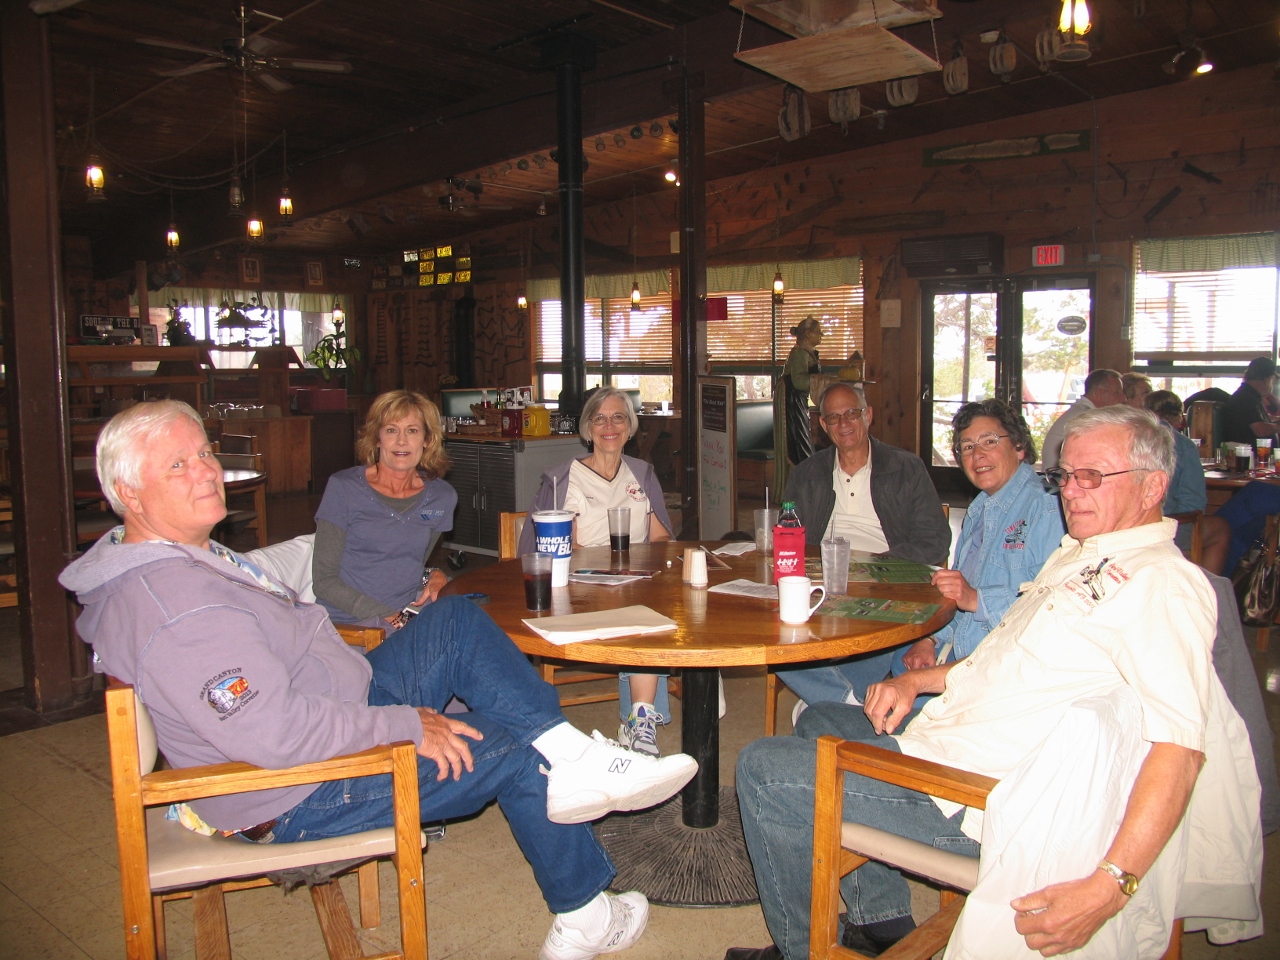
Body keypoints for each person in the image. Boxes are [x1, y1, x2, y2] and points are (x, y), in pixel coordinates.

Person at [61, 400, 699, 960]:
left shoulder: (182, 559)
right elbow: (275, 735)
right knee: (508, 743)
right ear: (129, 491)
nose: (205, 470)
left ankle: (575, 754)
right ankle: (585, 913)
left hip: (341, 700)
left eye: (203, 453)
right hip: (298, 790)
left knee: (457, 620)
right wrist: (403, 723)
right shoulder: (178, 606)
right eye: (178, 465)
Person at [728, 406, 1258, 960]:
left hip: (978, 796)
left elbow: (1180, 749)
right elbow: (1011, 661)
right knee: (817, 719)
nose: (1070, 493)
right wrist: (919, 682)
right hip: (955, 734)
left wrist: (1109, 886)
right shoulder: (1085, 555)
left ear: (1153, 486)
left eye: (1092, 477)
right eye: (1066, 476)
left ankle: (799, 954)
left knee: (764, 768)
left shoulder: (1162, 586)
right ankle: (882, 918)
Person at [773, 381, 951, 710]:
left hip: (886, 577)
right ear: (823, 425)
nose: (844, 424)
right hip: (826, 580)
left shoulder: (906, 467)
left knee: (889, 632)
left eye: (851, 413)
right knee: (777, 634)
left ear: (867, 415)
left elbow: (934, 539)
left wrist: (872, 567)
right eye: (834, 417)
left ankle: (830, 696)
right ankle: (847, 700)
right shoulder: (807, 473)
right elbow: (791, 537)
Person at [519, 386, 675, 757]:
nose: (609, 426)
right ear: (587, 428)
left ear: (630, 426)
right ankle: (640, 719)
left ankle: (639, 720)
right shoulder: (563, 479)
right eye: (600, 418)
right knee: (642, 619)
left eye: (618, 417)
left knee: (656, 608)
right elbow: (556, 549)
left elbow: (662, 539)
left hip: (634, 581)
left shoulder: (641, 473)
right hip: (581, 590)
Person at [312, 390, 455, 630]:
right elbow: (324, 582)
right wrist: (396, 619)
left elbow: (409, 563)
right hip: (352, 623)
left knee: (476, 620)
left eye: (412, 430)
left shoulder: (442, 497)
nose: (401, 441)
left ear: (427, 439)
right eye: (391, 430)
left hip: (410, 611)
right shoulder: (343, 488)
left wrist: (433, 574)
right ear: (377, 438)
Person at [1144, 389, 1229, 573]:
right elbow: (1194, 503)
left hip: (1130, 526)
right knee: (1220, 528)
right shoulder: (1182, 444)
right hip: (1164, 527)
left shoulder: (1134, 437)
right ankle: (1205, 591)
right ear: (1179, 417)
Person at [1040, 367, 1125, 470]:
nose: (1123, 398)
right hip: (1058, 481)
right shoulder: (1088, 419)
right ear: (1099, 393)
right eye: (1117, 393)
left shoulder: (1081, 413)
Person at [780, 316, 826, 467]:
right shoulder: (800, 354)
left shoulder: (807, 353)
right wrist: (822, 381)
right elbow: (799, 382)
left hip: (800, 401)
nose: (821, 335)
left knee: (804, 438)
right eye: (818, 332)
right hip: (793, 402)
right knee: (800, 441)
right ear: (808, 334)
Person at [1222, 356, 1278, 449]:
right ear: (1267, 380)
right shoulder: (1246, 398)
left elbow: (1256, 418)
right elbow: (1261, 430)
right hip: (1250, 459)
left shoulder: (1250, 396)